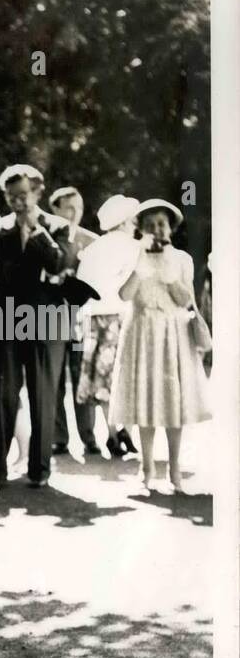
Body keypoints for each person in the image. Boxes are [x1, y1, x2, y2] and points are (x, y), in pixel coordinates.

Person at [0, 163, 77, 487]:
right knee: (2, 393)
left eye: (23, 195)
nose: (17, 202)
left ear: (38, 191)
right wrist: (38, 267)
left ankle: (39, 470)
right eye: (10, 197)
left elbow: (60, 263)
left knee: (43, 393)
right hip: (6, 316)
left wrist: (37, 234)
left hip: (47, 318)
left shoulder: (60, 227)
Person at [107, 199, 211, 493]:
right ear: (141, 229)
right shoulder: (134, 256)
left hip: (172, 333)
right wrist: (139, 268)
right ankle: (146, 465)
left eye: (161, 224)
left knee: (173, 401)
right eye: (150, 225)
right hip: (142, 332)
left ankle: (175, 468)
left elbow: (186, 300)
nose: (156, 230)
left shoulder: (181, 259)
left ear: (171, 228)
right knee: (146, 399)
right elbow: (125, 295)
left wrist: (170, 277)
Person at [74, 194, 142, 459]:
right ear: (124, 221)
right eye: (132, 219)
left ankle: (113, 432)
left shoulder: (93, 249)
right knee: (127, 374)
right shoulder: (134, 247)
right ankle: (127, 431)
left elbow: (82, 285)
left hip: (94, 316)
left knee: (102, 377)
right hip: (123, 315)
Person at [48, 187, 100, 456]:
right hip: (52, 317)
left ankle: (89, 436)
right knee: (54, 378)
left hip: (82, 318)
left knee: (82, 375)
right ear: (55, 208)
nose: (74, 213)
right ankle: (58, 436)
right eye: (68, 207)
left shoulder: (91, 241)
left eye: (78, 208)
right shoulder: (47, 236)